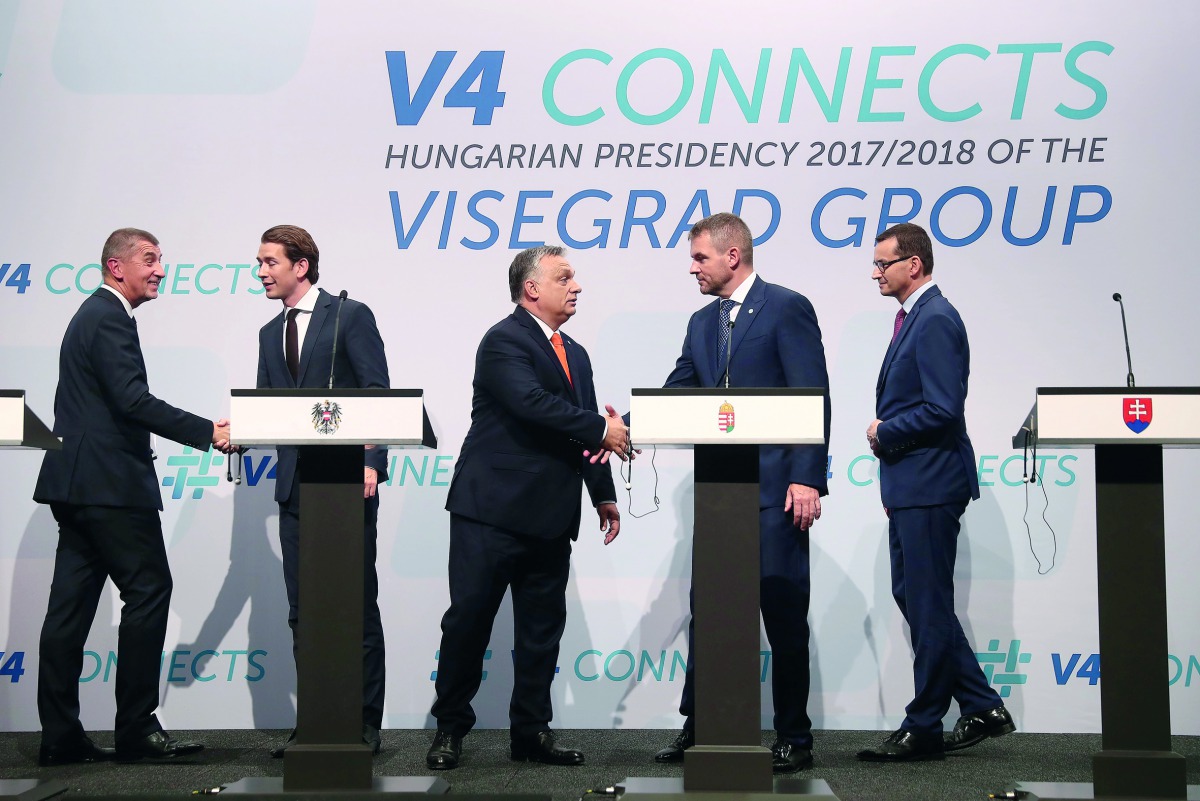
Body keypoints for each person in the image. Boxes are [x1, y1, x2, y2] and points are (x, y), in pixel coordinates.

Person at [425, 245, 628, 770]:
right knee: (468, 623)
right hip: (490, 511)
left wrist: (602, 493)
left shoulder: (576, 353)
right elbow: (533, 405)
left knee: (541, 630)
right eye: (565, 277)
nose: (576, 286)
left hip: (551, 515)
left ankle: (531, 733)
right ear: (532, 288)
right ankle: (449, 728)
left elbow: (584, 427)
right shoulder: (503, 340)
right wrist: (602, 428)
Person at [33, 228, 230, 764]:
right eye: (150, 259)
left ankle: (59, 737)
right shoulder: (109, 317)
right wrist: (205, 431)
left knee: (68, 612)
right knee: (148, 590)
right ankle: (136, 729)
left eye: (162, 259)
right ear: (117, 267)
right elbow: (131, 400)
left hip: (76, 485)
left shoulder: (90, 316)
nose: (161, 269)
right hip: (110, 486)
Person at [651, 212, 831, 773]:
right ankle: (700, 724)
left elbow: (811, 395)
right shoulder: (702, 323)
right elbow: (679, 390)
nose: (692, 267)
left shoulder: (786, 306)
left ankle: (794, 737)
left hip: (777, 490)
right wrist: (627, 427)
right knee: (708, 615)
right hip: (720, 495)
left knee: (781, 615)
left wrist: (808, 476)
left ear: (734, 256)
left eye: (700, 257)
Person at [856, 223, 1014, 762]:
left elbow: (943, 409)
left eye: (883, 264)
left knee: (925, 603)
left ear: (914, 265)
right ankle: (981, 702)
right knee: (916, 598)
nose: (875, 273)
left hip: (930, 482)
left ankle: (924, 724)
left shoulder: (936, 319)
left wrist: (884, 433)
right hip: (911, 484)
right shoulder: (915, 318)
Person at [254, 224, 390, 756]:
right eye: (260, 263)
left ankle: (363, 721)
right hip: (294, 490)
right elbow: (267, 406)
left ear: (301, 266)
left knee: (356, 607)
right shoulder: (268, 333)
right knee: (301, 610)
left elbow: (379, 393)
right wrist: (236, 435)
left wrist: (372, 461)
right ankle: (316, 720)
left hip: (347, 485)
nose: (261, 272)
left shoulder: (350, 316)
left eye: (269, 262)